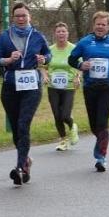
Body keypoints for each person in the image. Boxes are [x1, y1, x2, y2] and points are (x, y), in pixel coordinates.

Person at [0, 2, 51, 186]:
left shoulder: (38, 36)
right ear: (13, 18)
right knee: (16, 129)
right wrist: (8, 60)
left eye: (24, 15)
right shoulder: (5, 37)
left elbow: (48, 55)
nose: (21, 19)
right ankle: (26, 160)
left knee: (24, 124)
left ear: (29, 17)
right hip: (10, 87)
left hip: (32, 87)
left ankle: (20, 169)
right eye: (18, 16)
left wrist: (43, 59)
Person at [68, 11, 109, 172]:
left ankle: (101, 157)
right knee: (94, 125)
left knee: (102, 122)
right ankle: (100, 145)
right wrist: (81, 65)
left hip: (107, 87)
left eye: (103, 24)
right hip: (90, 87)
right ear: (93, 25)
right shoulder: (85, 42)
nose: (100, 27)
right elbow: (71, 59)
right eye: (98, 24)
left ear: (108, 26)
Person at [41, 22, 80, 151]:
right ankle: (63, 140)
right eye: (59, 31)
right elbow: (43, 66)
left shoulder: (73, 49)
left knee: (65, 115)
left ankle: (72, 125)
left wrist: (77, 77)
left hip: (69, 86)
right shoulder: (50, 50)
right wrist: (45, 75)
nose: (61, 34)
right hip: (53, 86)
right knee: (57, 115)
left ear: (67, 33)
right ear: (55, 34)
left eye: (63, 31)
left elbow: (80, 65)